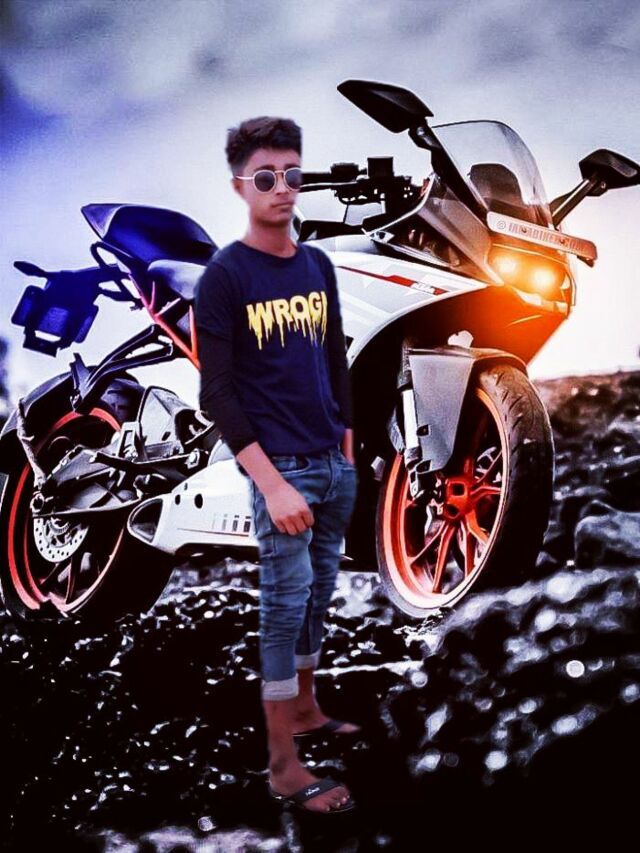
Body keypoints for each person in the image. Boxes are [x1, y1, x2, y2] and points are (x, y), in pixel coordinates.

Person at [194, 116, 360, 814]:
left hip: (331, 462)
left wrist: (346, 444)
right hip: (281, 468)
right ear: (240, 185)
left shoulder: (317, 265)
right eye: (266, 177)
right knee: (284, 605)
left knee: (318, 596)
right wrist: (271, 482)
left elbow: (334, 355)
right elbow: (216, 394)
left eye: (293, 174)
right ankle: (285, 767)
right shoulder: (224, 277)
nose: (283, 188)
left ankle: (308, 708)